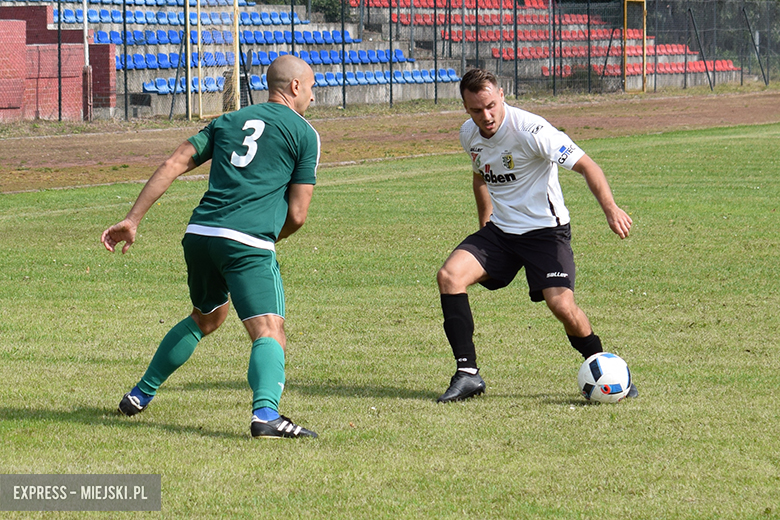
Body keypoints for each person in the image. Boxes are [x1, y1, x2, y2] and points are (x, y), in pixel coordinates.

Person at [101, 55, 320, 438]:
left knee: (207, 318)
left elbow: (174, 162)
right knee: (269, 329)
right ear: (296, 87)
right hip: (246, 242)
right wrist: (265, 240)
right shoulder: (304, 133)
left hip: (200, 233)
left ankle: (139, 394)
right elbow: (298, 214)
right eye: (313, 88)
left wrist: (132, 219)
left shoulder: (228, 121)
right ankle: (267, 415)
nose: (314, 98)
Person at [436, 68, 636, 403]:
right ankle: (468, 374)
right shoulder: (468, 134)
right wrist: (484, 222)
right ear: (465, 108)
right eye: (475, 110)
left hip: (546, 234)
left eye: (489, 106)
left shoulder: (532, 130)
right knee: (449, 276)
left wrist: (611, 209)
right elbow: (480, 177)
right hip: (501, 232)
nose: (485, 116)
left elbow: (588, 166)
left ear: (502, 96)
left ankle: (604, 367)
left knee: (561, 305)